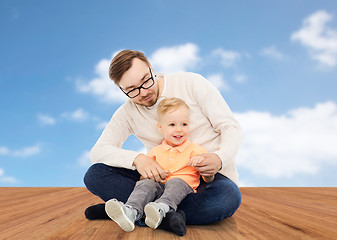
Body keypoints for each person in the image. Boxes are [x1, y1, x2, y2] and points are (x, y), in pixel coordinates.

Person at [84, 50, 242, 233]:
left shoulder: (191, 83)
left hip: (209, 178)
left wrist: (219, 158)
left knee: (227, 198)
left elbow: (230, 126)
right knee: (95, 175)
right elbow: (98, 151)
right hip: (162, 180)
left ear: (152, 69)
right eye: (132, 90)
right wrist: (138, 159)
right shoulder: (127, 113)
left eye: (146, 80)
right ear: (122, 90)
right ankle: (164, 215)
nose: (144, 92)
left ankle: (132, 210)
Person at [105, 97, 213, 236]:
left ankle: (162, 208)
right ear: (160, 128)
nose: (179, 130)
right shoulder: (155, 152)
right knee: (145, 184)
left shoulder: (197, 151)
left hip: (182, 191)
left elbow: (208, 179)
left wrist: (203, 166)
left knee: (176, 182)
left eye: (184, 124)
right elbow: (144, 176)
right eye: (172, 125)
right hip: (158, 188)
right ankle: (131, 211)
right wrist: (150, 176)